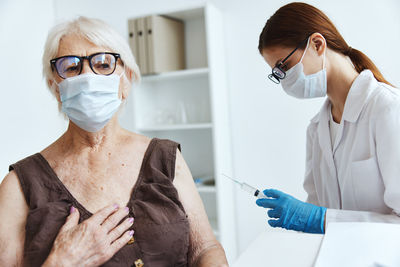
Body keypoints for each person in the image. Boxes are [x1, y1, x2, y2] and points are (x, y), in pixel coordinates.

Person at [0, 16, 228, 266]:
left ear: (126, 80)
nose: (87, 76)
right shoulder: (18, 185)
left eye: (103, 63)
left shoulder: (165, 158)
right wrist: (61, 261)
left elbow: (205, 248)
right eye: (71, 67)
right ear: (56, 88)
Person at [255, 2, 400, 234]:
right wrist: (310, 217)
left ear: (317, 44)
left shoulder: (388, 108)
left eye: (284, 66)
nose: (284, 79)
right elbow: (316, 212)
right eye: (278, 73)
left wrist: (321, 219)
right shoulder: (316, 129)